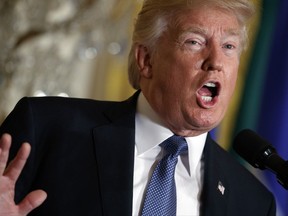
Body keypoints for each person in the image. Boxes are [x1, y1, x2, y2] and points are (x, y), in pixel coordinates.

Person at [0, 0, 276, 215]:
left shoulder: (251, 201)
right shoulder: (47, 129)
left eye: (229, 46)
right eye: (195, 42)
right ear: (146, 59)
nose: (216, 61)